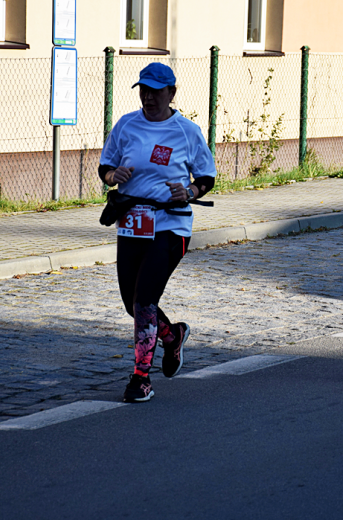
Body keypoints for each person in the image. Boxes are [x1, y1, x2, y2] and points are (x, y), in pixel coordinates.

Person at [98, 62, 217, 402]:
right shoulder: (126, 125)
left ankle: (140, 378)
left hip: (171, 223)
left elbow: (206, 176)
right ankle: (172, 336)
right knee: (131, 303)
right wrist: (112, 177)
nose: (148, 98)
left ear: (171, 93)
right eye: (144, 91)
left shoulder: (186, 131)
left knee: (145, 299)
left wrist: (190, 192)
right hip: (133, 222)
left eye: (155, 92)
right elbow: (105, 165)